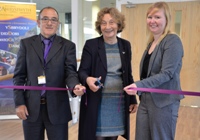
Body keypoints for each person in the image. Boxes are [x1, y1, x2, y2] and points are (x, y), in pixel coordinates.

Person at [13, 6, 85, 140]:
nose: (49, 23)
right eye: (45, 19)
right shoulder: (26, 44)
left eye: (53, 20)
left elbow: (70, 73)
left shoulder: (68, 46)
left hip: (57, 107)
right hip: (31, 108)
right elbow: (19, 76)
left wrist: (75, 86)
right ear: (38, 22)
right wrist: (19, 103)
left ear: (58, 24)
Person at [124, 2, 184, 140]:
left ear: (166, 19)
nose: (152, 21)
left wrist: (138, 85)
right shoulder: (151, 43)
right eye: (149, 17)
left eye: (157, 17)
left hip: (164, 103)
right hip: (145, 100)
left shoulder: (172, 41)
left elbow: (167, 74)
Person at [78, 7, 138, 140]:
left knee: (113, 137)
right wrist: (87, 80)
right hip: (98, 103)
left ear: (118, 24)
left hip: (118, 104)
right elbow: (82, 71)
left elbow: (128, 75)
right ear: (100, 26)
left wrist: (133, 99)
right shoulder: (91, 45)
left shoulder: (125, 45)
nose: (107, 26)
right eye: (103, 23)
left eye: (111, 22)